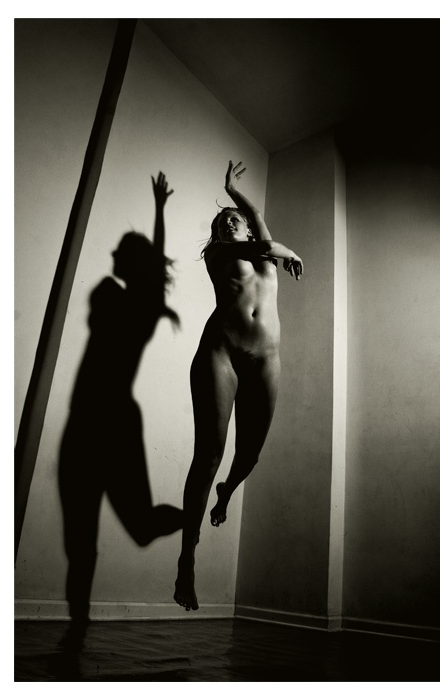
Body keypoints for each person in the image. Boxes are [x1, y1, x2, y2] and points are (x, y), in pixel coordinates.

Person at [58, 172, 182, 650]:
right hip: (82, 423)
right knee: (79, 537)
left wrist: (160, 211)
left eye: (119, 252)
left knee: (142, 528)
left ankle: (192, 513)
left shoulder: (141, 306)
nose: (111, 255)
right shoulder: (111, 293)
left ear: (134, 263)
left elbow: (155, 263)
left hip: (116, 424)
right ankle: (77, 626)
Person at [174, 160, 303, 611]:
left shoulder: (260, 249)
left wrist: (233, 191)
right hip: (221, 354)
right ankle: (187, 560)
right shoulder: (219, 255)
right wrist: (286, 251)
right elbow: (267, 244)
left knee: (249, 454)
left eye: (234, 219)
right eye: (221, 222)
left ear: (245, 225)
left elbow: (260, 226)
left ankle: (226, 492)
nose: (227, 223)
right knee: (209, 454)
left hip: (265, 359)